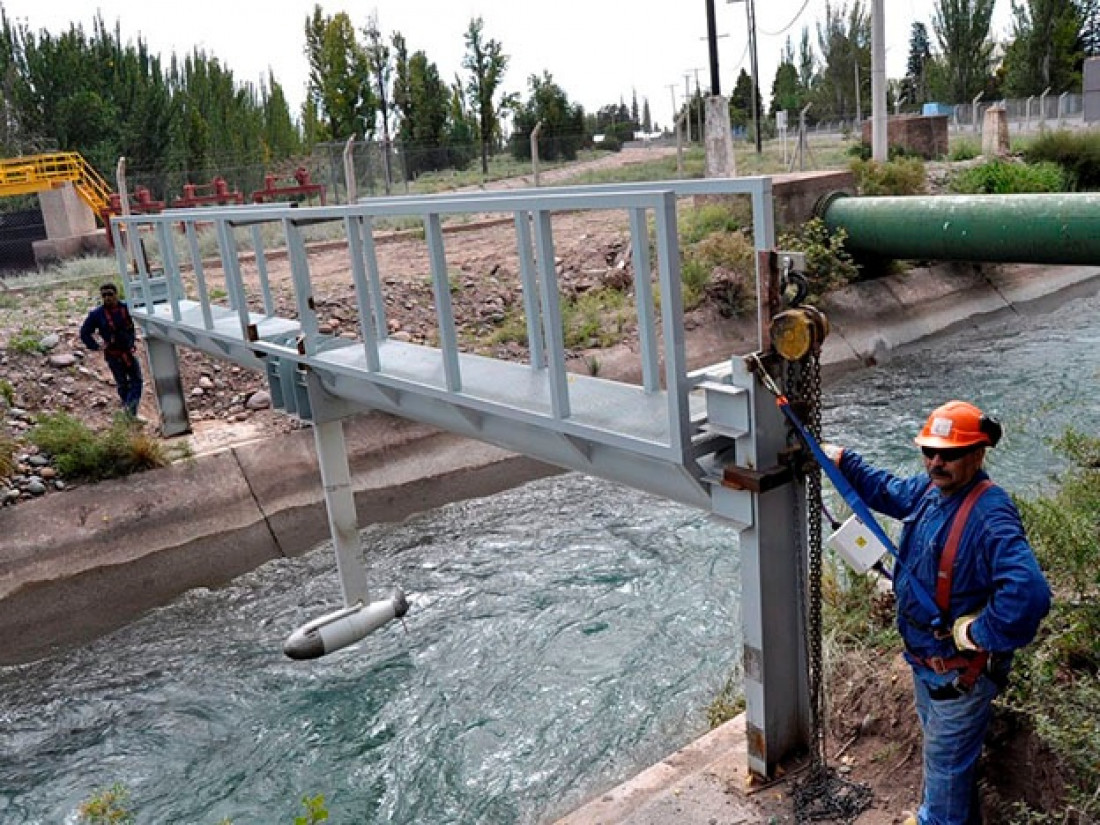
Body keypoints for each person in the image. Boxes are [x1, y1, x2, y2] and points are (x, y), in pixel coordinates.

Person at [823, 400, 1050, 825]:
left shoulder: (989, 513)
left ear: (979, 453)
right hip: (928, 667)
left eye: (949, 454)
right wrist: (839, 458)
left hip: (959, 676)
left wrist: (977, 633)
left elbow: (1030, 594)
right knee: (945, 764)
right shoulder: (931, 491)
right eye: (929, 451)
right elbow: (887, 490)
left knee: (944, 773)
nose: (936, 461)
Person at [80, 282, 143, 417]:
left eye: (110, 294)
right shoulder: (97, 314)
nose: (107, 298)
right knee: (122, 384)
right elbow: (84, 332)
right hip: (113, 355)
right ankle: (130, 412)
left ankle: (130, 411)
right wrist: (96, 346)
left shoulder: (127, 309)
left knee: (136, 381)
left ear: (116, 294)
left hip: (128, 352)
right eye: (104, 295)